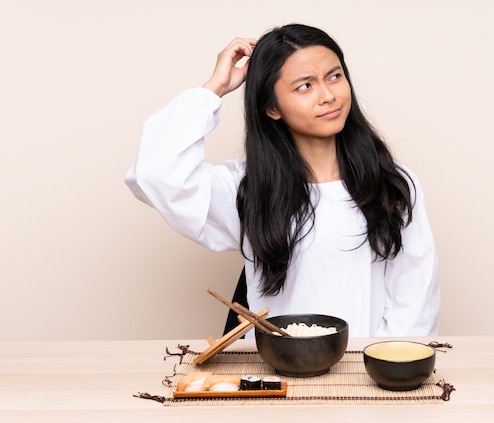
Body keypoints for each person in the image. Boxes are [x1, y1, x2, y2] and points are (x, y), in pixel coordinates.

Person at [125, 24, 440, 337]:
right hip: (276, 377)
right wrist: (215, 87)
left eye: (335, 76)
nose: (328, 96)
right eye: (305, 86)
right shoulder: (248, 189)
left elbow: (414, 298)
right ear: (272, 107)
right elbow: (155, 173)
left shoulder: (392, 183)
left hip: (366, 374)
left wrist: (383, 367)